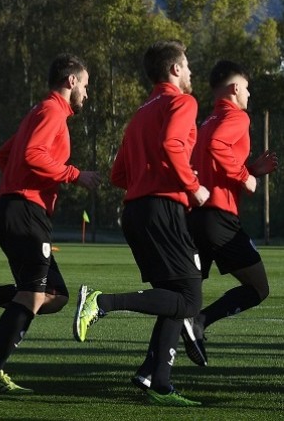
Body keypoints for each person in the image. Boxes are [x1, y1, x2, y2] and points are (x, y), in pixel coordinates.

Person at [0, 54, 99, 394]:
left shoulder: (39, 111)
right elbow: (31, 155)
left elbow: (5, 156)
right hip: (24, 211)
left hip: (16, 208)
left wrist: (18, 183)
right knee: (32, 296)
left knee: (55, 296)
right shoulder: (52, 111)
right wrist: (75, 175)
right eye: (86, 85)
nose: (87, 92)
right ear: (71, 81)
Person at [74, 40, 209, 407]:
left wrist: (152, 178)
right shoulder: (182, 102)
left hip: (136, 211)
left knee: (173, 299)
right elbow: (171, 144)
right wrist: (192, 186)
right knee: (190, 298)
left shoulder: (141, 113)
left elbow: (119, 173)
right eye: (188, 66)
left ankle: (156, 380)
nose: (192, 73)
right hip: (162, 210)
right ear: (175, 70)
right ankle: (103, 303)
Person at [183, 60, 277, 365]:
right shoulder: (237, 117)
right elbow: (218, 147)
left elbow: (211, 160)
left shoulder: (207, 121)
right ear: (236, 88)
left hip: (197, 217)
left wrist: (250, 169)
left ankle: (152, 371)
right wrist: (244, 175)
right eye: (247, 88)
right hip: (220, 219)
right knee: (258, 287)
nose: (249, 94)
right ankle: (200, 322)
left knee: (181, 297)